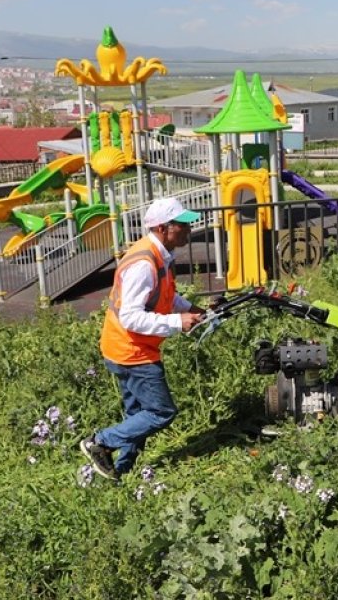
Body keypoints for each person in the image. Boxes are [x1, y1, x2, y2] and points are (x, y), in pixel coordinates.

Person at [80, 197, 205, 481]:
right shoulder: (144, 263)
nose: (189, 228)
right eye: (182, 224)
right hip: (132, 351)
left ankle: (118, 472)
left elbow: (164, 295)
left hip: (123, 346)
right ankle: (99, 442)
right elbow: (131, 317)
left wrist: (188, 309)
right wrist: (177, 322)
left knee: (136, 416)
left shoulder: (157, 254)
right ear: (163, 228)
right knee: (161, 412)